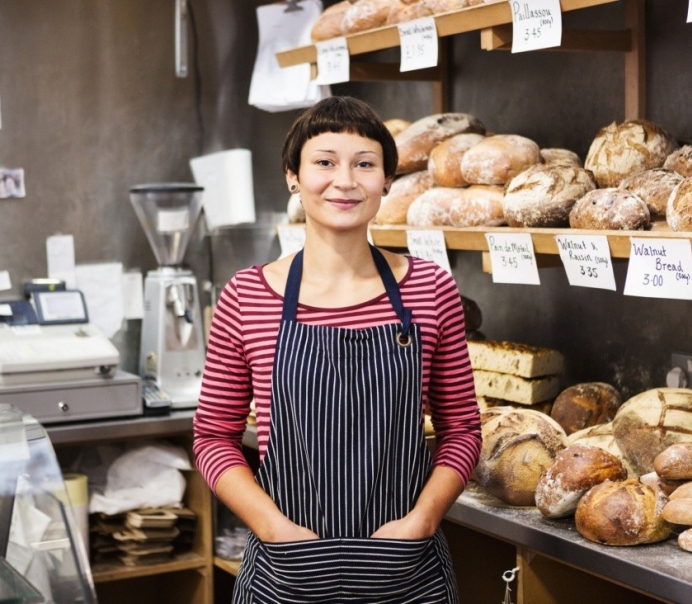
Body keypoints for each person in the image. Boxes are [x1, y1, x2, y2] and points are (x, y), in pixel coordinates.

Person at [193, 95, 482, 603]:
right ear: (293, 177)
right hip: (286, 571)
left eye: (364, 164)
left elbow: (461, 429)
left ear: (386, 181)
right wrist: (274, 528)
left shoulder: (431, 288)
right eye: (324, 162)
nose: (344, 181)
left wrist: (422, 520)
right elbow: (213, 437)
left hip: (405, 571)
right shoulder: (247, 295)